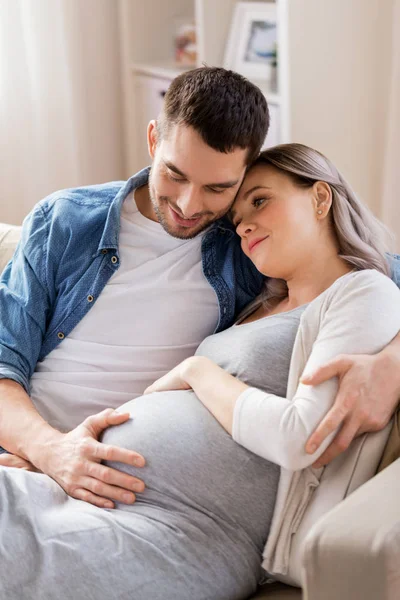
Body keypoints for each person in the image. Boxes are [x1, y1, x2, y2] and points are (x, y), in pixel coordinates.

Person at [0, 143, 399, 600]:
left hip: (179, 529)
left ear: (320, 199)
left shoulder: (362, 290)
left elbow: (299, 437)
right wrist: (54, 455)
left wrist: (197, 371)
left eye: (261, 200)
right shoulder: (257, 302)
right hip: (90, 490)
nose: (243, 223)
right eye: (237, 215)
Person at [0, 68, 399, 511]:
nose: (190, 205)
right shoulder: (65, 220)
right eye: (175, 174)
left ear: (244, 175)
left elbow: (370, 267)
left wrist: (393, 362)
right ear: (154, 140)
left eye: (218, 188)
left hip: (118, 485)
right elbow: (3, 361)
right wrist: (50, 451)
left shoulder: (248, 245)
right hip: (26, 455)